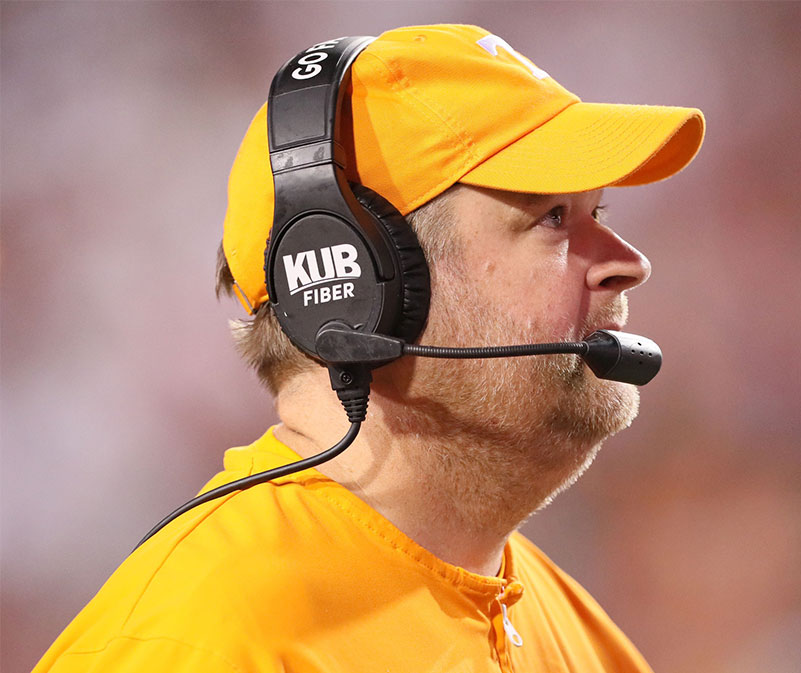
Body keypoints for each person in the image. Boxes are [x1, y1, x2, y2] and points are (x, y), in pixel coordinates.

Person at [34, 24, 704, 673]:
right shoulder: (198, 647)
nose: (628, 262)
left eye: (600, 214)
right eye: (552, 217)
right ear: (352, 283)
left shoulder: (584, 640)